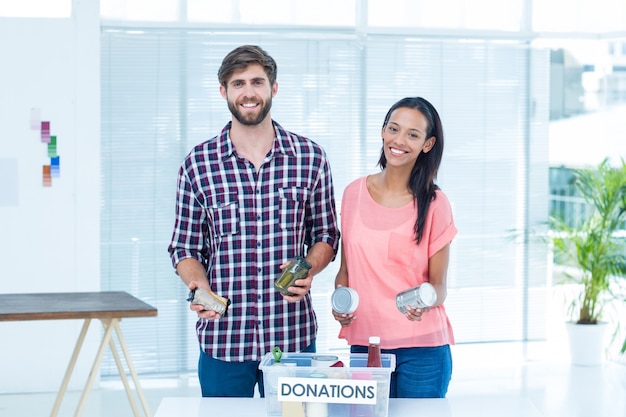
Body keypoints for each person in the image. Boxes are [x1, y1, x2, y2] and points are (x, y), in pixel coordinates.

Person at [168, 45, 340, 398]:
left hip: (292, 339)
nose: (249, 92)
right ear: (224, 92)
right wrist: (198, 286)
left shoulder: (310, 158)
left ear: (274, 88)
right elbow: (185, 246)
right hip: (224, 341)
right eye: (238, 83)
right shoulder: (197, 165)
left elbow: (326, 233)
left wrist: (308, 267)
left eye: (257, 82)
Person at [332, 96, 457, 398]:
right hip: (366, 345)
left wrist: (426, 301)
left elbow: (439, 286)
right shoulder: (353, 193)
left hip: (423, 349)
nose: (399, 140)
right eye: (394, 129)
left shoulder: (435, 204)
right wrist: (340, 305)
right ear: (383, 131)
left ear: (427, 144)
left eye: (413, 134)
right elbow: (346, 272)